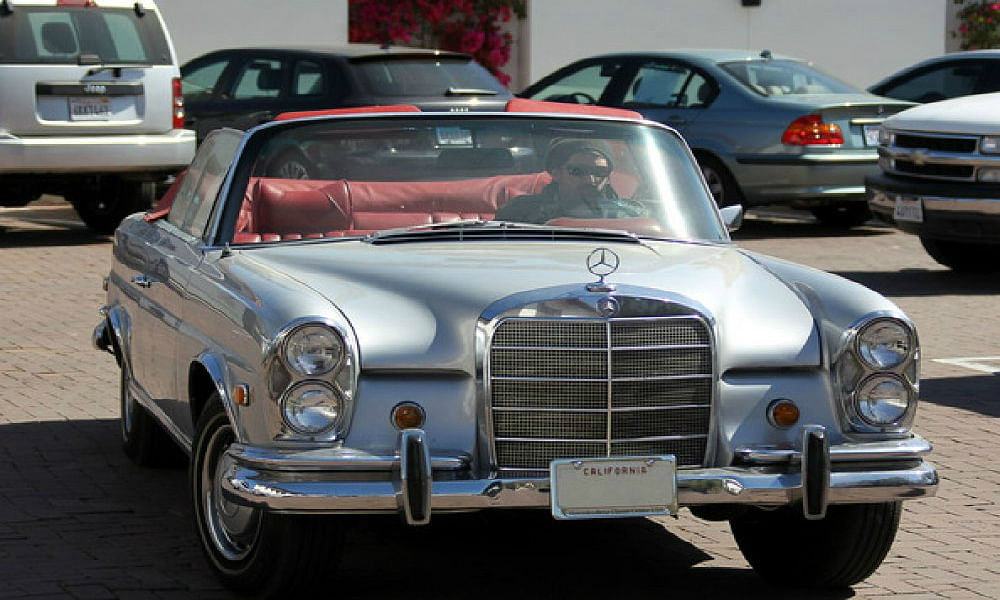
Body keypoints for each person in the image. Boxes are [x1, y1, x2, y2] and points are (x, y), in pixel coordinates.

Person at [495, 139, 645, 224]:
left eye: (599, 172)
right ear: (556, 173)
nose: (590, 179)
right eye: (578, 171)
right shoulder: (521, 211)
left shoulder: (631, 214)